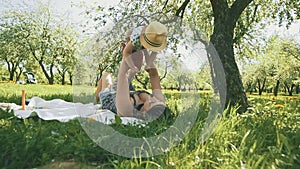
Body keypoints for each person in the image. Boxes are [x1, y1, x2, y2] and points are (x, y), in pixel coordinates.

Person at [95, 21, 168, 120]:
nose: (152, 98)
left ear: (143, 113)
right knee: (124, 79)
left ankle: (97, 98)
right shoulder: (159, 104)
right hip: (128, 91)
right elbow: (154, 76)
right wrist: (149, 64)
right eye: (155, 99)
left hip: (110, 97)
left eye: (151, 102)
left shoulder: (127, 109)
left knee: (107, 76)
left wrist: (130, 60)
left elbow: (122, 74)